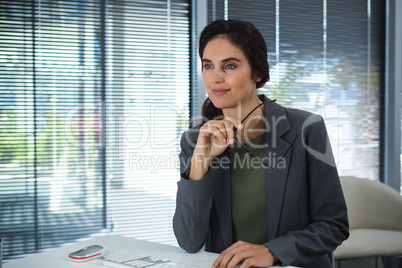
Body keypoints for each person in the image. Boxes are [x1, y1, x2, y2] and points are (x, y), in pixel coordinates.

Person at [173, 19, 349, 268]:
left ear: (257, 72)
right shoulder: (195, 140)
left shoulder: (306, 128)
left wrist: (272, 252)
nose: (216, 78)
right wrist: (201, 160)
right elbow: (189, 241)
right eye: (208, 66)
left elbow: (334, 225)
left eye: (230, 66)